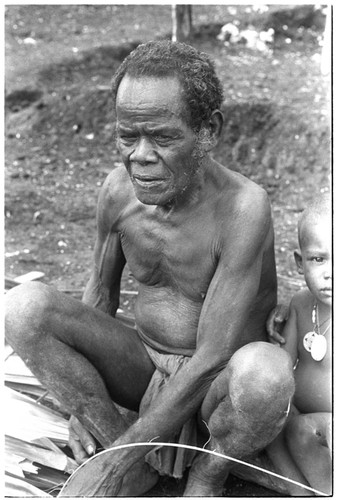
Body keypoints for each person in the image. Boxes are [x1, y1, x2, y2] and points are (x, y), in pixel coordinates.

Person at [5, 40, 294, 497]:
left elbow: (213, 355)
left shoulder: (243, 207)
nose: (140, 155)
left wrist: (117, 460)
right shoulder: (118, 192)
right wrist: (86, 411)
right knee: (24, 307)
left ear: (208, 130)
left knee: (266, 375)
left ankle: (207, 474)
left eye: (162, 137)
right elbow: (100, 297)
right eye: (127, 136)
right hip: (142, 367)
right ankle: (114, 438)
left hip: (217, 393)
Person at [266, 193, 332, 496]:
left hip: (327, 428)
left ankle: (325, 490)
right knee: (274, 421)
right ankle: (299, 489)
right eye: (319, 259)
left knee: (303, 430)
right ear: (299, 262)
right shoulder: (299, 305)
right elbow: (283, 361)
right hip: (301, 417)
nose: (330, 273)